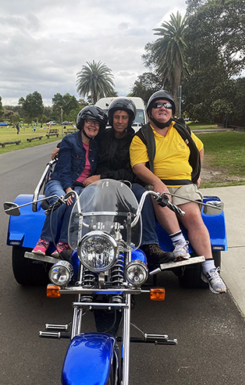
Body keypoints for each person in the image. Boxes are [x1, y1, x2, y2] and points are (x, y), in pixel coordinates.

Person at [52, 98, 173, 265]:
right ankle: (75, 244)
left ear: (130, 119)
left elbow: (132, 171)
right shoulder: (102, 135)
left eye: (124, 117)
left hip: (126, 183)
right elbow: (80, 141)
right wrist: (61, 147)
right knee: (82, 202)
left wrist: (102, 177)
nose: (120, 121)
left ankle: (150, 244)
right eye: (116, 117)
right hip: (96, 184)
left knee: (144, 194)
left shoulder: (136, 139)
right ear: (111, 118)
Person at [130, 90, 226, 294]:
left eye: (167, 105)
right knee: (159, 197)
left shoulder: (182, 130)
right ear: (150, 111)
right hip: (159, 183)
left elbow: (199, 149)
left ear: (172, 111)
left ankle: (210, 270)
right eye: (157, 105)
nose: (162, 108)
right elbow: (138, 166)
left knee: (193, 217)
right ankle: (179, 243)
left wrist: (197, 175)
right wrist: (156, 182)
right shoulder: (142, 136)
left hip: (184, 183)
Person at [32, 106, 107, 258]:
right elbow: (64, 170)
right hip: (59, 181)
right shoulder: (69, 141)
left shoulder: (97, 146)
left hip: (80, 185)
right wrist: (67, 189)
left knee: (76, 204)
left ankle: (64, 243)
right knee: (62, 200)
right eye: (89, 121)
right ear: (82, 122)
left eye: (97, 123)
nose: (93, 125)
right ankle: (44, 240)